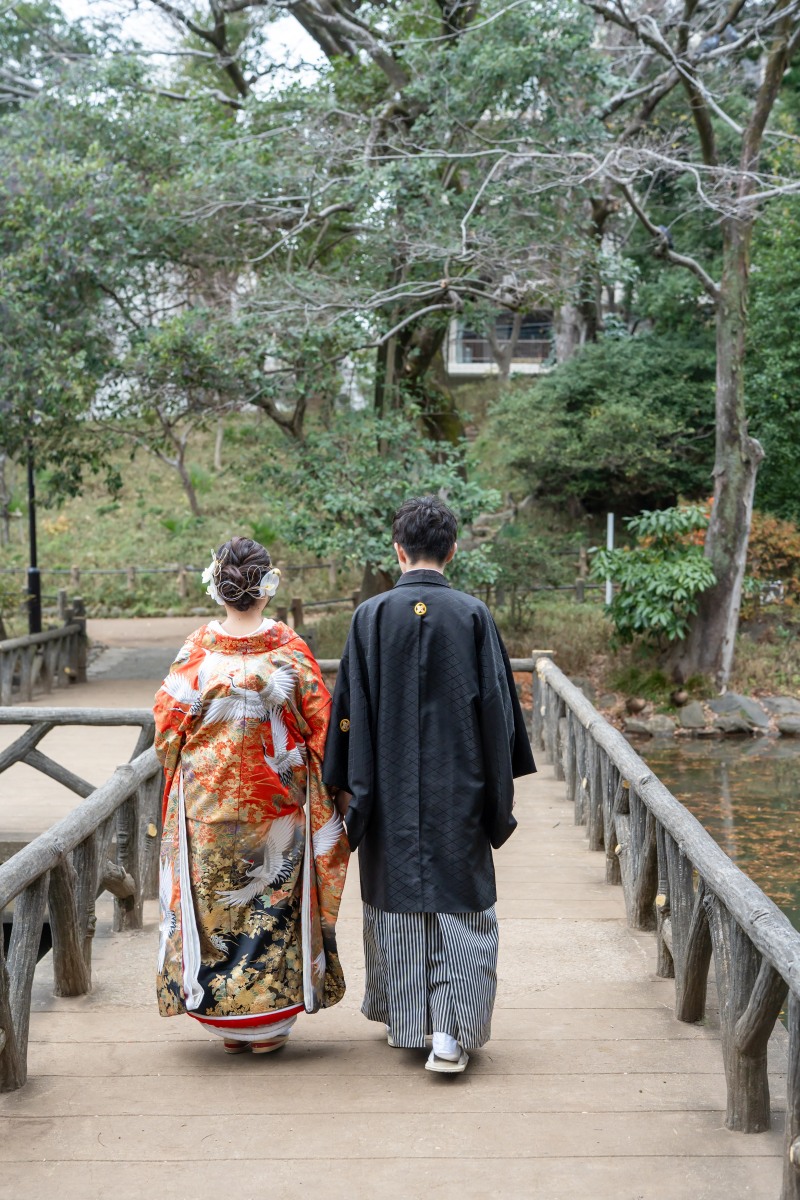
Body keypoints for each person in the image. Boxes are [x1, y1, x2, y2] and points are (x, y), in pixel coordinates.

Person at [322, 495, 535, 1074]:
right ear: (453, 549)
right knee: (462, 907)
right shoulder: (471, 614)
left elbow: (349, 713)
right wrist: (498, 794)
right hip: (459, 785)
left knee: (397, 904)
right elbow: (496, 711)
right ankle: (451, 1033)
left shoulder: (370, 617)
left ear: (398, 550)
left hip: (386, 788)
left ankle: (412, 1023)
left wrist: (346, 790)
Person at [153, 536, 349, 1054]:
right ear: (266, 588)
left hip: (206, 809)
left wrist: (193, 767)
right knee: (270, 910)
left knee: (215, 910)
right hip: (275, 809)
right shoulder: (288, 651)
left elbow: (166, 733)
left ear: (219, 589)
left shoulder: (195, 652)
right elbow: (322, 726)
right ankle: (267, 1026)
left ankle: (225, 1027)